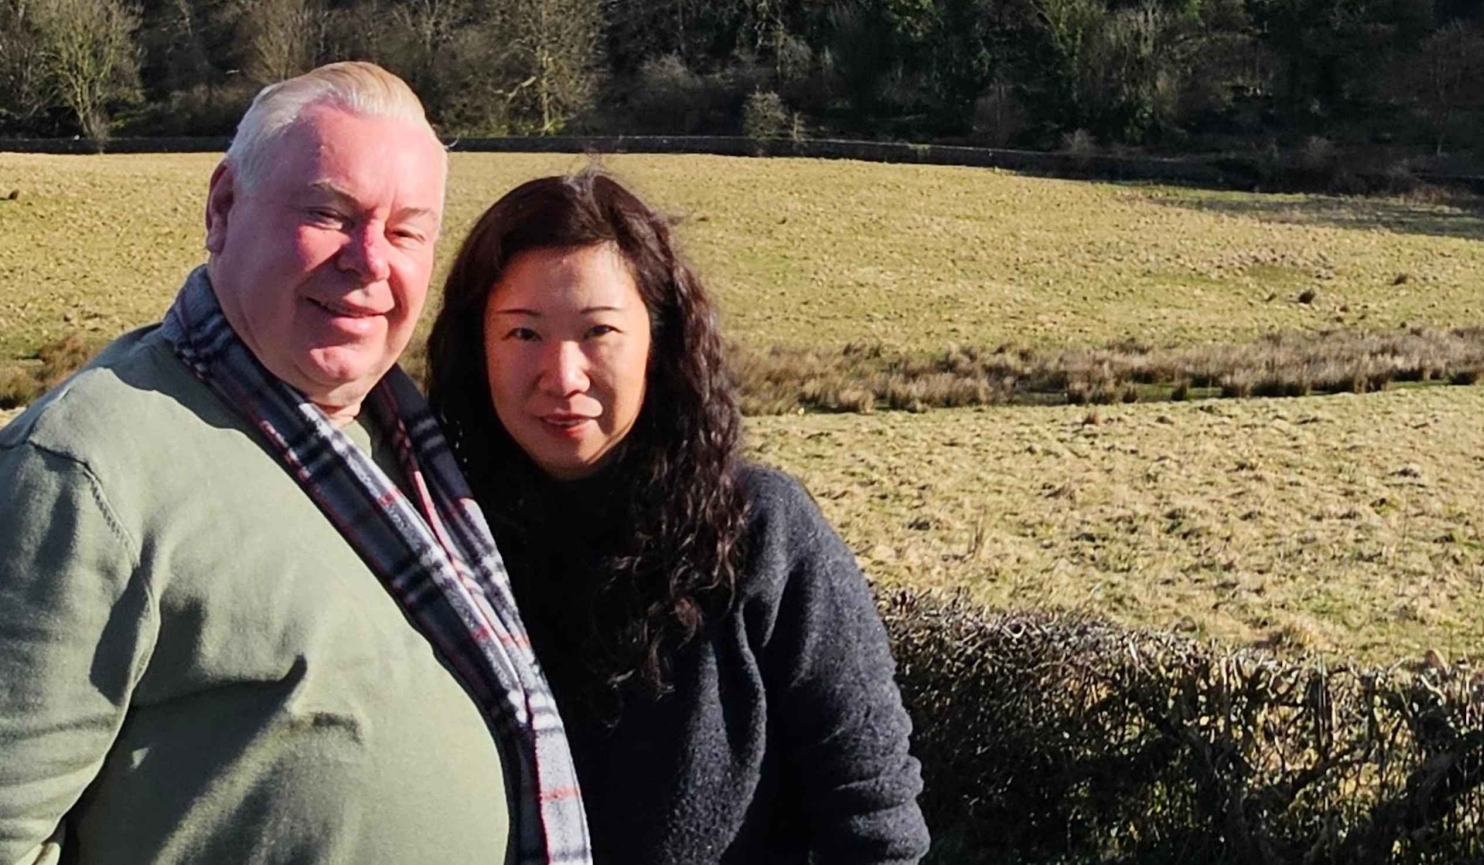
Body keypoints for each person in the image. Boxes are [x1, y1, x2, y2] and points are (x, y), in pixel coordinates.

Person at [0, 62, 590, 865]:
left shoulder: (409, 446)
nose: (370, 260)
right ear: (222, 208)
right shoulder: (85, 470)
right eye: (328, 213)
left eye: (406, 231)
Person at [426, 171, 930, 865]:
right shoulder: (430, 541)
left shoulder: (763, 535)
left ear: (658, 342)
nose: (562, 374)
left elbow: (875, 825)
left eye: (598, 330)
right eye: (523, 332)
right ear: (476, 345)